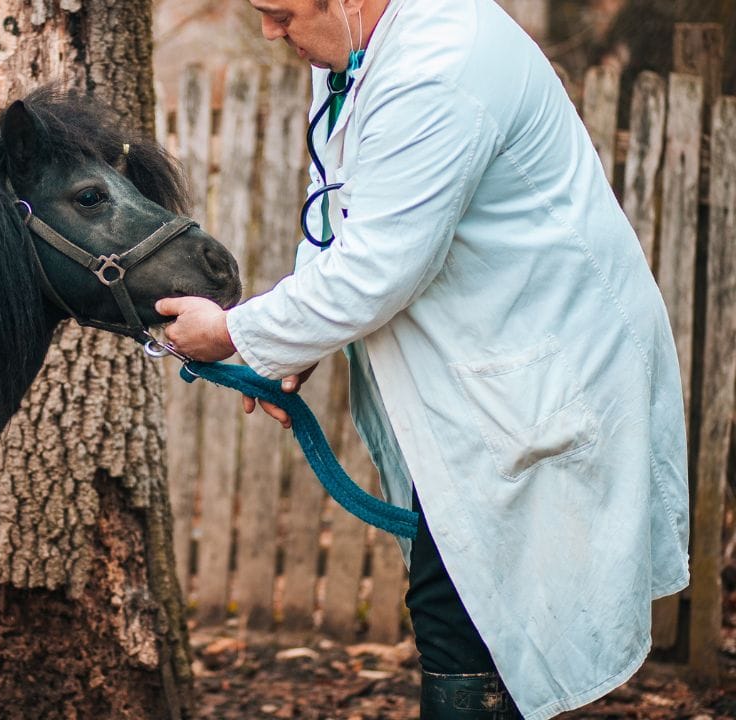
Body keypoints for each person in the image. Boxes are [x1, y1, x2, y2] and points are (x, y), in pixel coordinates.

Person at [156, 0, 689, 718]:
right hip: (491, 366)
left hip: (543, 366)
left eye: (280, 13)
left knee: (468, 616)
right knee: (471, 603)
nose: (268, 33)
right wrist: (296, 342)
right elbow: (341, 208)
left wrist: (232, 334)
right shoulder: (359, 51)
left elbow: (378, 269)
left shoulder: (440, 66)